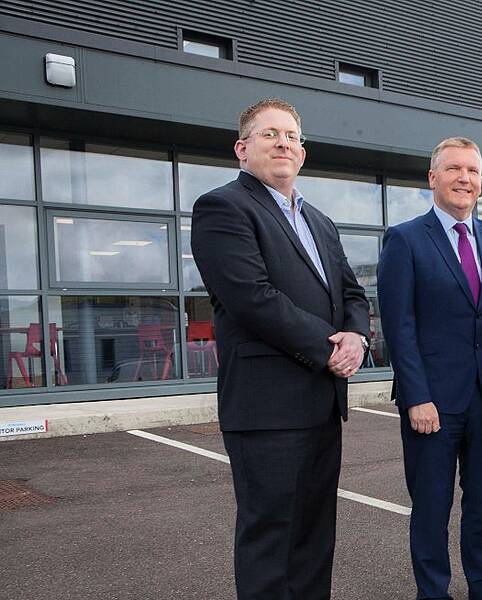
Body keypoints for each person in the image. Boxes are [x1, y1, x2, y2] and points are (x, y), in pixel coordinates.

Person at [191, 98, 371, 600]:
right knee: (271, 539)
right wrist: (328, 346)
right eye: (269, 134)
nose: (283, 143)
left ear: (303, 153)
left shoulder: (319, 220)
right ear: (242, 149)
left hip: (321, 403)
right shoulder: (222, 207)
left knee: (315, 537)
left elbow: (352, 292)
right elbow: (251, 298)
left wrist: (356, 336)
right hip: (267, 407)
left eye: (291, 136)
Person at [377, 136, 482, 600]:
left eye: (472, 171)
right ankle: (433, 592)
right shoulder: (405, 239)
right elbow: (399, 327)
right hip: (433, 403)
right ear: (433, 178)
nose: (464, 178)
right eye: (453, 169)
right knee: (432, 506)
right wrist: (416, 395)